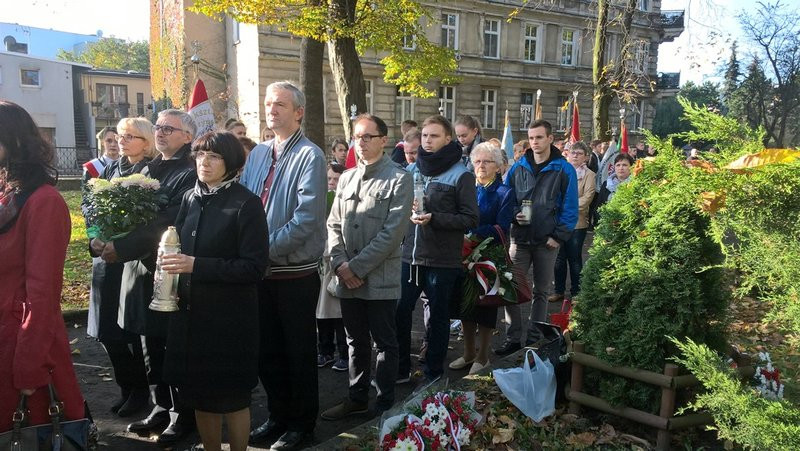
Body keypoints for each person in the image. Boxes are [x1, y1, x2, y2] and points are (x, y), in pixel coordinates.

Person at [160, 132, 269, 451]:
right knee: (199, 397)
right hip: (190, 316)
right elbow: (178, 245)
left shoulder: (246, 203)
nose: (204, 163)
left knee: (232, 399)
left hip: (228, 321)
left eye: (214, 156)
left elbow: (253, 268)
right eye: (199, 155)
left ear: (231, 162)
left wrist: (197, 266)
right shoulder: (190, 198)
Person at [103, 109, 199, 446]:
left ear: (187, 136)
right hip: (141, 270)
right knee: (150, 345)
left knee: (172, 346)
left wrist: (121, 246)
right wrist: (106, 234)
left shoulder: (189, 172)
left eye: (169, 128)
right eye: (158, 126)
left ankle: (182, 414)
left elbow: (166, 221)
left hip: (168, 273)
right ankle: (160, 406)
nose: (160, 132)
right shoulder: (148, 167)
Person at [241, 81, 327, 451]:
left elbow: (306, 221)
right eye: (268, 104)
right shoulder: (259, 153)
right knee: (266, 351)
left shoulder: (311, 156)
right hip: (259, 272)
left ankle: (302, 424)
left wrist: (260, 252)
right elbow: (246, 203)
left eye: (280, 104)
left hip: (293, 273)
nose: (271, 110)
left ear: (298, 112)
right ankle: (277, 415)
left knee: (297, 352)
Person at [0, 100, 86, 433]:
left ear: (13, 140)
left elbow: (43, 293)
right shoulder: (8, 194)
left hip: (19, 344)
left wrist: (29, 366)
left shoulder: (44, 201)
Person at [321, 113, 413, 420]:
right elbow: (333, 224)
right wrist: (339, 263)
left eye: (367, 137)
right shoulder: (347, 177)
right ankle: (356, 397)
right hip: (346, 275)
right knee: (355, 341)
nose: (360, 142)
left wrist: (355, 268)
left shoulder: (399, 178)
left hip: (379, 278)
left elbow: (392, 233)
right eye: (356, 137)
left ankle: (385, 404)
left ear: (383, 140)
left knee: (384, 343)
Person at [396, 115, 479, 383]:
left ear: (447, 139)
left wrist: (435, 218)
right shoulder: (412, 170)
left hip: (442, 260)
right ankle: (400, 368)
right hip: (410, 256)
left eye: (434, 136)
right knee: (399, 310)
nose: (428, 141)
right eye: (424, 136)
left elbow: (470, 219)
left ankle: (433, 374)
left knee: (439, 318)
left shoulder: (461, 174)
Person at [85, 118, 155, 418]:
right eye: (119, 135)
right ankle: (126, 386)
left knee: (129, 331)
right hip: (104, 259)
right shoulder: (111, 169)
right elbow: (90, 207)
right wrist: (94, 238)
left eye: (129, 136)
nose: (121, 141)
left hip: (132, 262)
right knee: (105, 331)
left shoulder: (151, 173)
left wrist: (122, 244)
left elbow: (150, 221)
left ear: (146, 142)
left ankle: (140, 390)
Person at [496, 119, 577, 356]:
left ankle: (533, 338)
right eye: (531, 138)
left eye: (539, 137)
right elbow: (505, 198)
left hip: (547, 241)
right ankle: (513, 337)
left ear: (550, 138)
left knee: (541, 292)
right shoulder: (518, 167)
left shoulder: (564, 169)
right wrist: (514, 213)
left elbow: (571, 206)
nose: (535, 142)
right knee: (511, 288)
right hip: (519, 239)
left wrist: (558, 236)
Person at [449, 142, 515, 375]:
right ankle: (468, 353)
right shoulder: (466, 189)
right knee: (465, 305)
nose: (481, 166)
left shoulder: (504, 192)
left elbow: (501, 227)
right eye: (477, 161)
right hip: (463, 255)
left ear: (498, 166)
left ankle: (483, 356)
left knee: (486, 307)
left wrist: (471, 234)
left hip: (489, 256)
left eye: (487, 161)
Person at [551, 141, 595, 302]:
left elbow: (587, 198)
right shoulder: (561, 171)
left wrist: (567, 208)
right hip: (560, 222)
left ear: (586, 157)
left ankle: (576, 293)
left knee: (575, 259)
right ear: (567, 154)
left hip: (577, 223)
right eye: (573, 152)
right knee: (559, 259)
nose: (575, 155)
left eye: (579, 153)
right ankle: (559, 291)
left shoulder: (589, 175)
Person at [316, 161, 348, 373]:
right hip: (320, 262)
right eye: (328, 179)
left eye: (336, 179)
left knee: (338, 312)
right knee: (321, 311)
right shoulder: (321, 199)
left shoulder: (345, 200)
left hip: (336, 260)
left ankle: (344, 354)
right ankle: (325, 350)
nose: (331, 183)